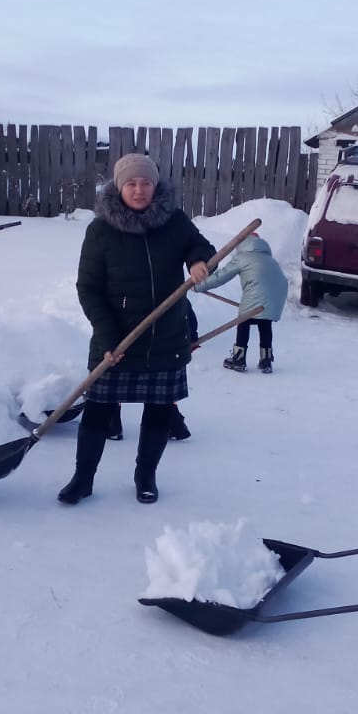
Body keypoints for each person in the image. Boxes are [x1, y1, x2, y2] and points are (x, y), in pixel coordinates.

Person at [58, 153, 216, 505]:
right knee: (98, 410)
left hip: (166, 337)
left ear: (155, 185)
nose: (139, 189)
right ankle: (83, 479)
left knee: (159, 411)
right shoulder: (100, 230)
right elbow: (89, 288)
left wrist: (199, 261)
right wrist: (108, 335)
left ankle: (145, 475)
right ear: (118, 186)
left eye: (146, 182)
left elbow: (198, 245)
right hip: (116, 340)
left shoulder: (173, 221)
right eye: (131, 183)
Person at [193, 231, 289, 373]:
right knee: (265, 322)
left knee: (243, 321)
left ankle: (239, 359)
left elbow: (221, 276)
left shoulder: (243, 257)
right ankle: (266, 360)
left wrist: (199, 286)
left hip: (257, 295)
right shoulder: (269, 258)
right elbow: (280, 280)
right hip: (277, 295)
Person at [106, 301, 197, 442]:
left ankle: (112, 425)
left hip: (140, 342)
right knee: (156, 387)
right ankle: (174, 425)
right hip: (155, 343)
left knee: (115, 379)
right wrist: (192, 335)